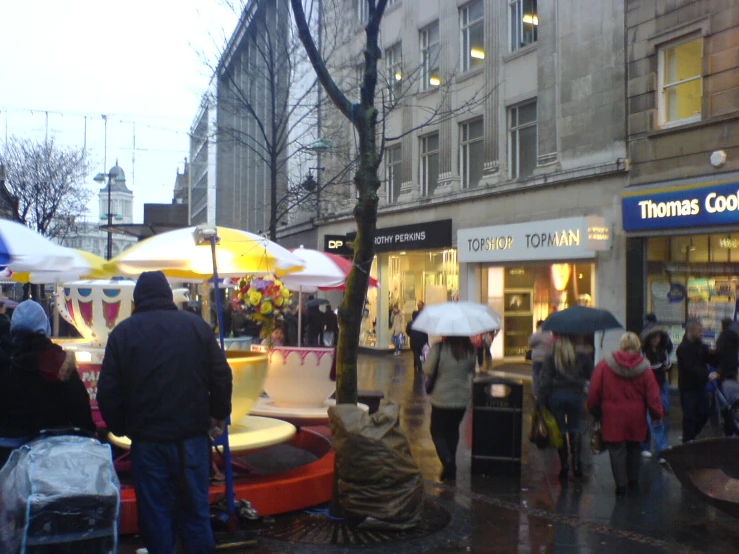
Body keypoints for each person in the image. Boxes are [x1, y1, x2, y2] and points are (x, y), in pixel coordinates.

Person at [97, 271, 233, 554]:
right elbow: (222, 375)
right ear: (168, 296)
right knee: (195, 511)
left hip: (148, 442)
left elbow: (108, 391)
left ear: (136, 300)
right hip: (191, 439)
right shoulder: (196, 327)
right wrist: (218, 415)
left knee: (156, 514)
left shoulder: (122, 334)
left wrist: (120, 426)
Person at [0, 300, 95, 468]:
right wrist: (89, 433)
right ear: (44, 326)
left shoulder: (6, 358)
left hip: (7, 449)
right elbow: (79, 407)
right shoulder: (58, 360)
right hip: (50, 451)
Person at [587, 332, 663, 496]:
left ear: (621, 345)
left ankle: (621, 484)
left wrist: (594, 410)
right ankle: (632, 479)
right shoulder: (645, 369)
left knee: (616, 449)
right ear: (637, 346)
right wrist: (656, 414)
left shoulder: (605, 365)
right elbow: (653, 395)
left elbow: (593, 391)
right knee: (634, 447)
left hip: (612, 415)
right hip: (636, 415)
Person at [539, 335, 593, 479]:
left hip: (556, 396)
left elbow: (545, 380)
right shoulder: (581, 356)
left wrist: (541, 401)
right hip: (575, 396)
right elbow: (591, 374)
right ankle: (576, 464)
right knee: (575, 428)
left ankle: (564, 465)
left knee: (560, 430)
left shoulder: (552, 356)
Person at [423, 336, 476, 481]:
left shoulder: (439, 348)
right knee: (452, 430)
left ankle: (447, 461)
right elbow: (472, 370)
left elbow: (427, 369)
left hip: (442, 398)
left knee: (436, 431)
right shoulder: (470, 349)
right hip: (462, 398)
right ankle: (450, 466)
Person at [640, 326, 672, 460]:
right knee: (654, 418)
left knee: (655, 415)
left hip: (661, 384)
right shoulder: (644, 352)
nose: (655, 340)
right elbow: (648, 367)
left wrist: (662, 365)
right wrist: (660, 366)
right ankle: (661, 449)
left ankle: (645, 446)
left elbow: (666, 365)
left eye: (658, 337)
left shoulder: (662, 350)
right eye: (653, 337)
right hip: (649, 387)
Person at [676, 318, 711, 443]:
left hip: (700, 387)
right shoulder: (683, 348)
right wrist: (707, 374)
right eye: (699, 330)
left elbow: (708, 359)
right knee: (689, 414)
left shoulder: (700, 346)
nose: (701, 332)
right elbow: (690, 367)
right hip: (688, 387)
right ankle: (688, 438)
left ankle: (693, 434)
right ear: (691, 330)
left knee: (704, 412)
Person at [528, 320, 552, 399]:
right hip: (547, 358)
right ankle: (544, 392)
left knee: (536, 375)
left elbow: (530, 343)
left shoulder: (537, 334)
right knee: (545, 376)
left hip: (537, 358)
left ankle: (536, 393)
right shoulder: (550, 334)